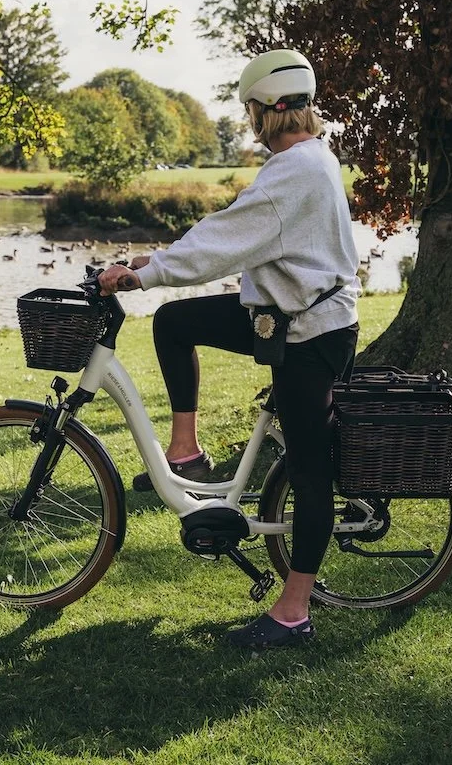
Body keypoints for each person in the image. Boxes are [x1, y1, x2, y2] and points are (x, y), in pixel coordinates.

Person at [98, 49, 361, 649]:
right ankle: (186, 454)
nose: (246, 119)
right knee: (175, 323)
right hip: (280, 316)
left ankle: (294, 612)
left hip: (310, 333)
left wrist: (146, 274)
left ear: (267, 110)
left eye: (248, 108)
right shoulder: (304, 160)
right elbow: (235, 228)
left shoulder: (294, 172)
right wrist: (153, 262)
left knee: (309, 469)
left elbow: (224, 240)